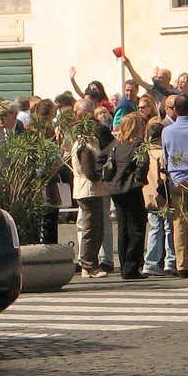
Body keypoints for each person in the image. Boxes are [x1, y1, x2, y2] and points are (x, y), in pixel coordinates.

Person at [71, 100, 114, 279]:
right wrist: (103, 173)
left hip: (92, 189)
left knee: (96, 226)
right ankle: (89, 264)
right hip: (88, 189)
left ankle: (90, 263)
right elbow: (89, 171)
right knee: (91, 228)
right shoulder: (84, 145)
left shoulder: (89, 142)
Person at [162, 94, 188, 278]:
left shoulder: (167, 131)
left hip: (176, 179)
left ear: (174, 110)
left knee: (179, 223)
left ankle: (182, 264)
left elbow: (166, 156)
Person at [141, 119, 175, 277]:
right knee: (168, 228)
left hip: (148, 195)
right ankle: (169, 260)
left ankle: (151, 261)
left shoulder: (144, 152)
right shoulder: (162, 154)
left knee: (154, 228)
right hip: (163, 195)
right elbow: (164, 176)